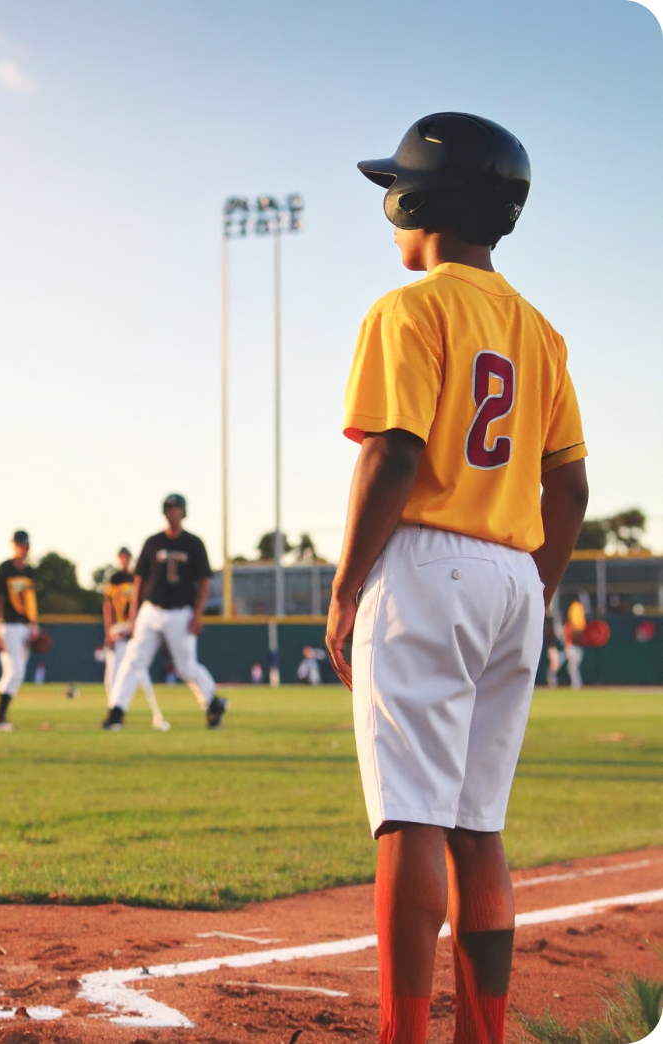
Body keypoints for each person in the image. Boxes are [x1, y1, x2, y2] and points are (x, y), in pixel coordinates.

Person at [325, 113, 588, 1044]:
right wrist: (538, 587)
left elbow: (393, 455)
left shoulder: (408, 309)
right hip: (516, 574)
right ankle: (483, 1032)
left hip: (426, 563)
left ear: (418, 199)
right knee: (478, 824)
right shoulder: (540, 330)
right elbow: (571, 485)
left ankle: (403, 1033)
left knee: (410, 819)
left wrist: (347, 583)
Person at [103, 494, 226, 730]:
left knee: (186, 666)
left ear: (183, 512)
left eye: (176, 508)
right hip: (151, 610)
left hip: (180, 612)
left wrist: (198, 615)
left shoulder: (193, 543)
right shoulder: (153, 542)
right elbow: (139, 580)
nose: (173, 513)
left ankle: (212, 703)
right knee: (132, 660)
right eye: (169, 509)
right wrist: (133, 616)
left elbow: (204, 582)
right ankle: (115, 711)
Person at [103, 546, 168, 730]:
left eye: (127, 557)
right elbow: (108, 606)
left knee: (141, 674)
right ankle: (114, 711)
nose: (124, 560)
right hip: (117, 630)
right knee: (113, 675)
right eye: (122, 557)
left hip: (133, 631)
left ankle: (156, 714)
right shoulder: (115, 579)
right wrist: (109, 631)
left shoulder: (137, 579)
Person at [0, 530, 38, 731]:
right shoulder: (5, 569)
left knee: (18, 673)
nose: (20, 548)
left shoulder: (30, 572)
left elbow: (31, 602)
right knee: (14, 671)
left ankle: (0, 716)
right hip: (8, 625)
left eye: (22, 544)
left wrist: (34, 625)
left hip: (24, 626)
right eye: (17, 544)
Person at [563, 596, 586, 690]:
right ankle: (577, 683)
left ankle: (576, 683)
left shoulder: (571, 625)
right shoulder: (571, 625)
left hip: (574, 647)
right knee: (572, 667)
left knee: (572, 667)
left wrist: (567, 647)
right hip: (575, 647)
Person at [543, 615, 562, 689]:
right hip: (551, 647)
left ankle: (552, 681)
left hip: (553, 647)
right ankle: (551, 681)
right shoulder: (548, 628)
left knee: (554, 666)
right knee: (553, 666)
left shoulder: (553, 628)